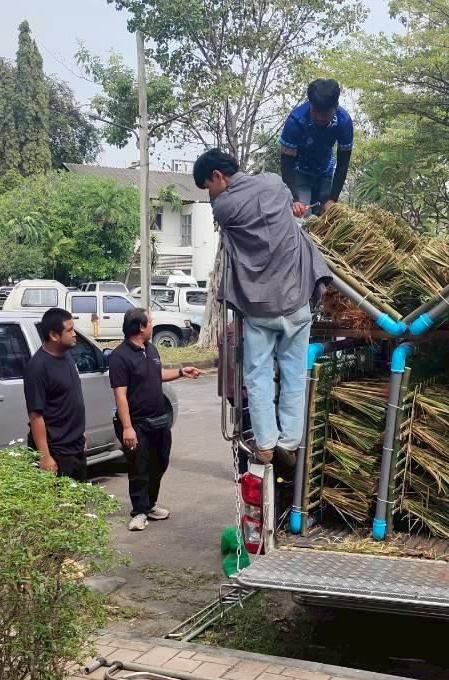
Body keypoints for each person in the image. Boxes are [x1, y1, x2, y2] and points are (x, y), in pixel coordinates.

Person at [192, 148, 331, 465]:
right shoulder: (273, 183)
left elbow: (230, 222)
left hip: (259, 307)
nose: (211, 196)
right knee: (296, 375)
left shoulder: (224, 206)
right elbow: (285, 206)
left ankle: (266, 444)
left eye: (208, 188)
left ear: (218, 176)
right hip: (297, 301)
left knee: (258, 377)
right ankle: (291, 441)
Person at [110, 307, 203, 531]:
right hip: (137, 424)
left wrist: (182, 372)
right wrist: (127, 427)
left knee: (159, 462)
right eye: (150, 322)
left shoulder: (150, 349)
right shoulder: (119, 356)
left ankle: (150, 505)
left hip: (159, 420)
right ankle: (139, 511)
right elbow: (120, 394)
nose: (152, 325)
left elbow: (157, 374)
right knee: (138, 468)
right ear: (141, 327)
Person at [25, 308, 88, 481]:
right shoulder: (37, 367)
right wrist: (45, 457)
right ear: (54, 335)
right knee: (61, 505)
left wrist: (81, 434)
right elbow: (35, 416)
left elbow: (71, 399)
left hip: (75, 446)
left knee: (78, 504)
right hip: (57, 451)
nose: (74, 334)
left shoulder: (66, 355)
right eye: (69, 330)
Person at [279, 78, 354, 218]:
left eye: (324, 113)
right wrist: (294, 199)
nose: (319, 117)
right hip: (298, 171)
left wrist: (333, 198)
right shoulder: (295, 120)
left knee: (326, 216)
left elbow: (343, 163)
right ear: (310, 104)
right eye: (315, 111)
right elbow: (286, 163)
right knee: (302, 215)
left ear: (336, 106)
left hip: (325, 171)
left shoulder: (344, 122)